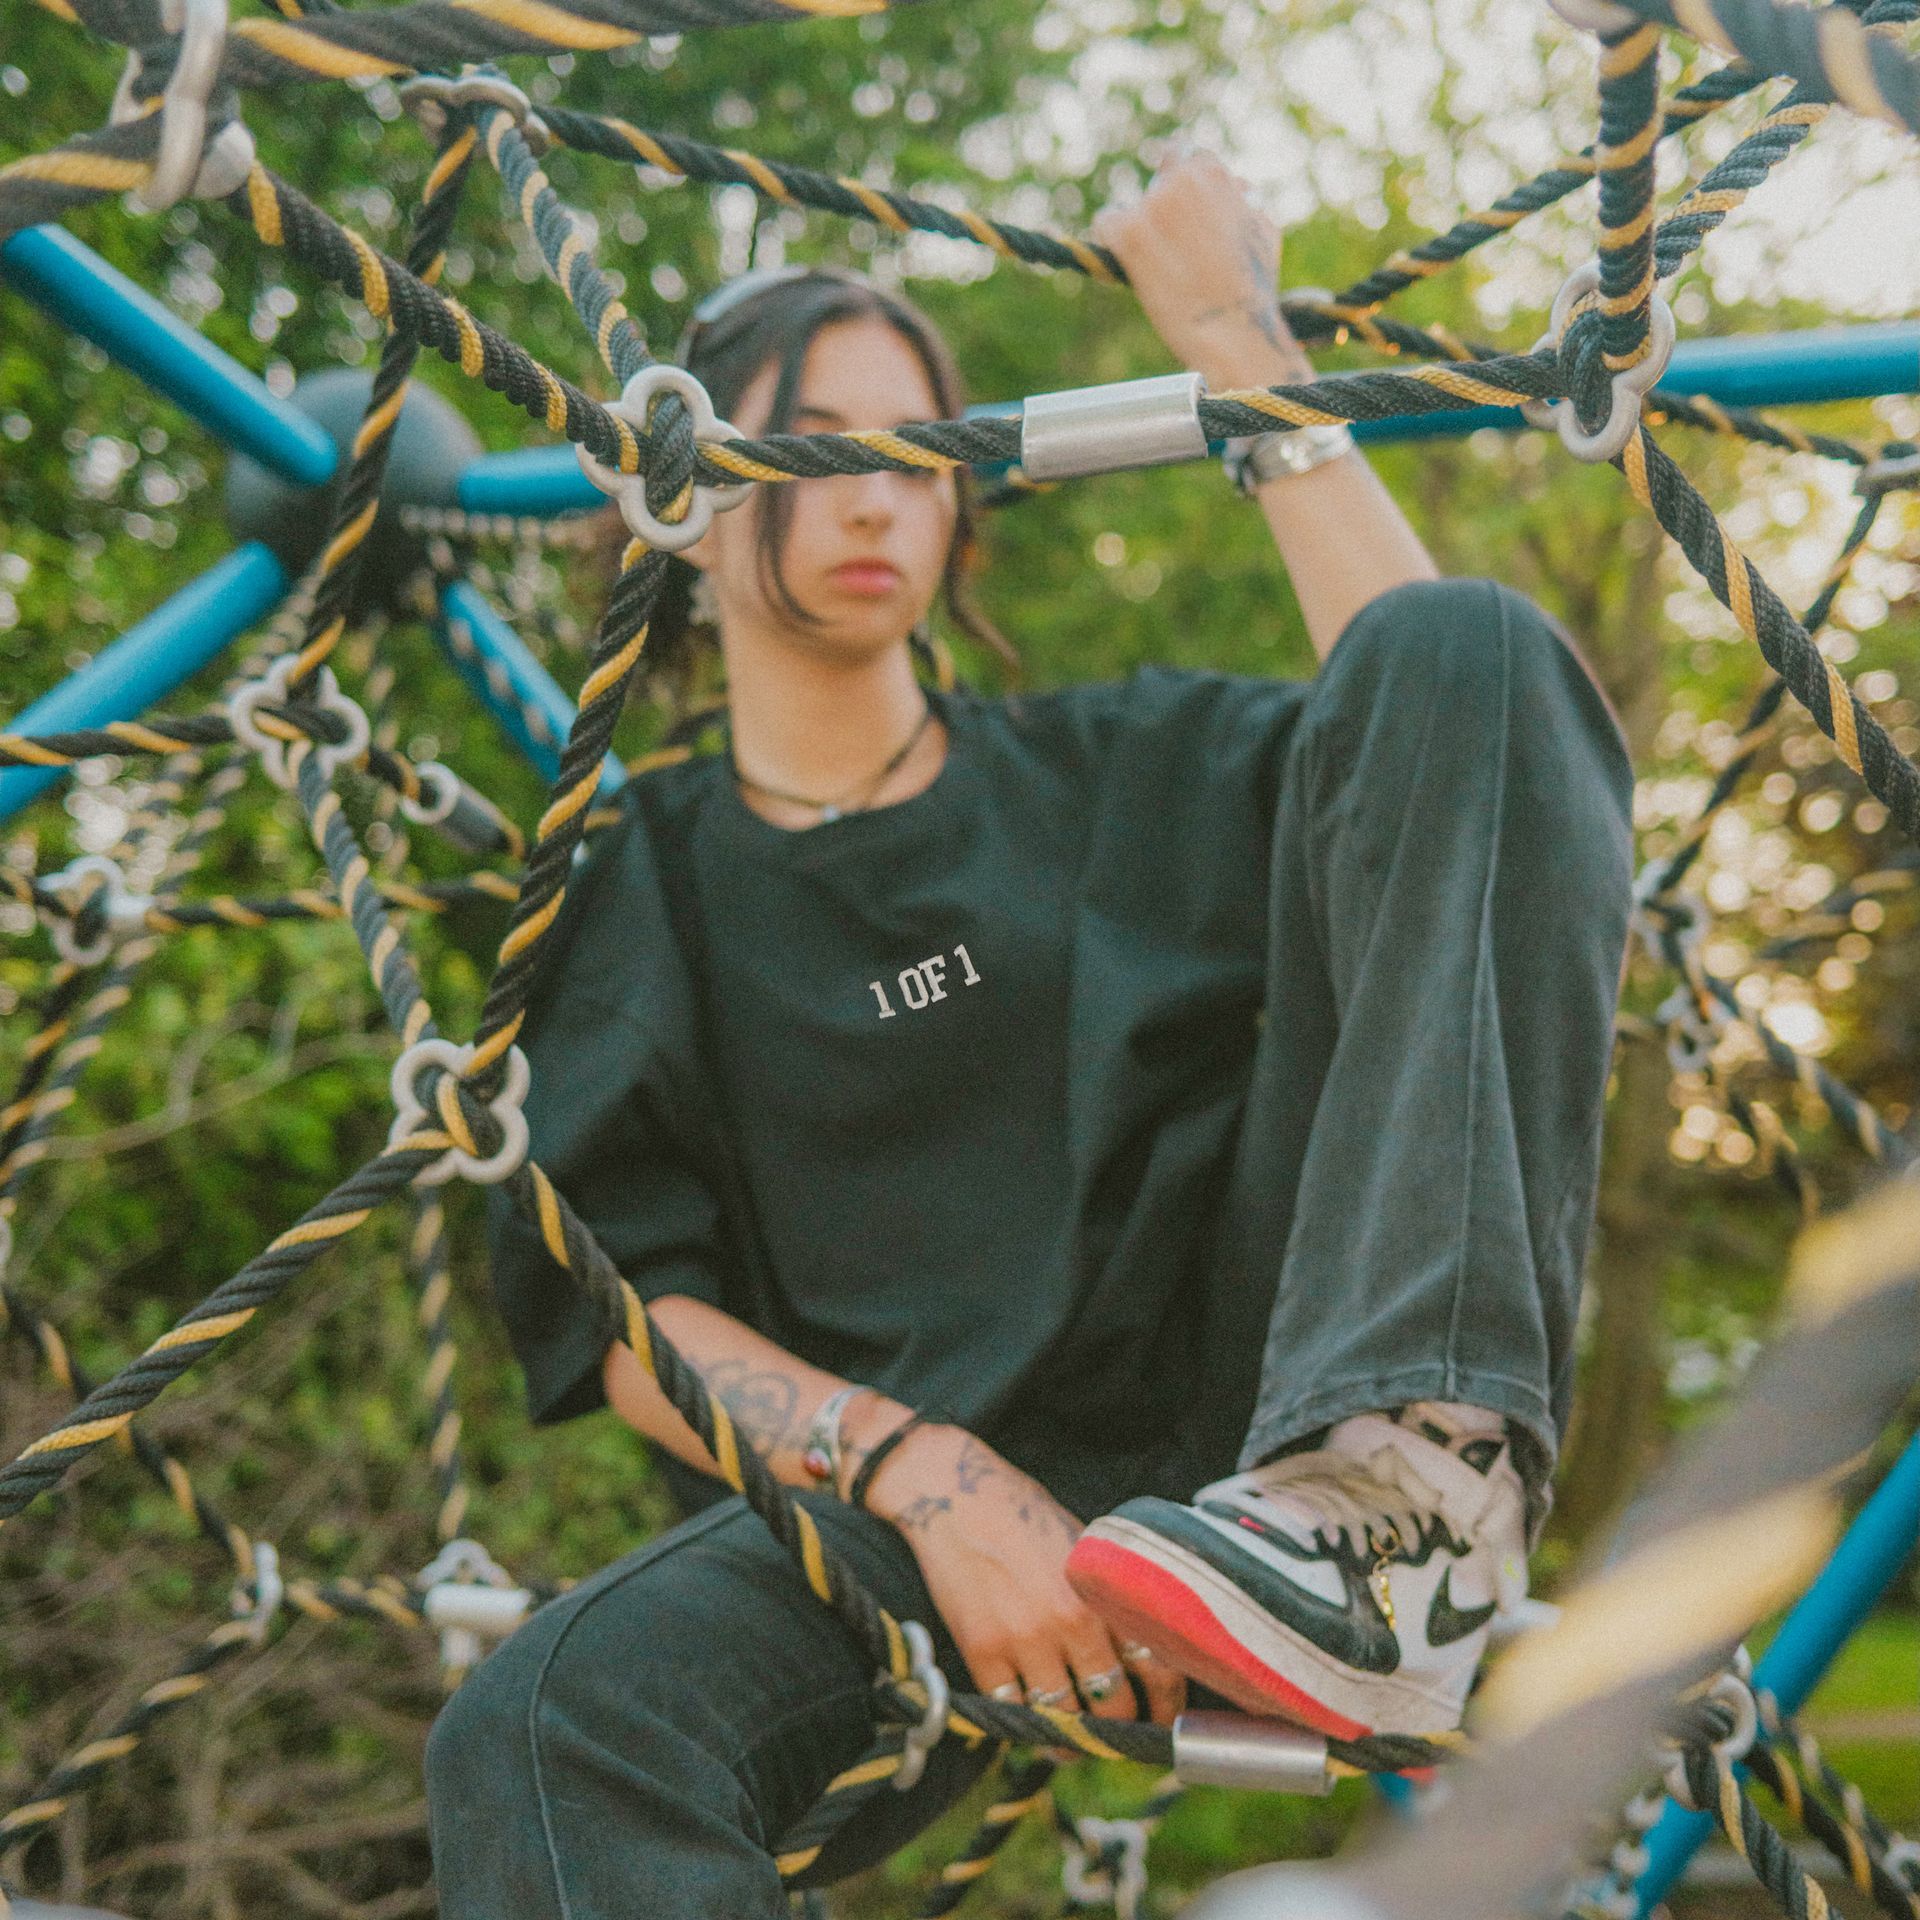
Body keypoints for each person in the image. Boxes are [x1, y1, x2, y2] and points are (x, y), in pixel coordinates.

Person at [424, 150, 1635, 1916]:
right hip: (914, 1499)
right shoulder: (633, 891)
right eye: (816, 443)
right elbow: (625, 1312)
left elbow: (1472, 733)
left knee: (1469, 643)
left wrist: (1239, 345)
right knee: (549, 1727)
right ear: (684, 485)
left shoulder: (1113, 769)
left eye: (919, 451)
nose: (875, 494)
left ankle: (1415, 1499)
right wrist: (926, 1479)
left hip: (1277, 1421)